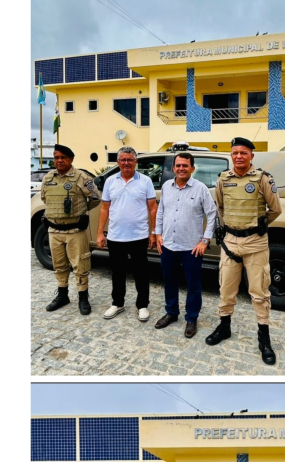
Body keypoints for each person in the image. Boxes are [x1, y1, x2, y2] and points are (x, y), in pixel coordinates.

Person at [205, 137, 281, 364]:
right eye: (235, 152)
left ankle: (264, 337)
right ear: (231, 155)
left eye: (243, 153)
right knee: (226, 288)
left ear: (251, 156)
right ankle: (224, 326)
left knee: (259, 292)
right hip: (230, 242)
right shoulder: (223, 179)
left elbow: (275, 209)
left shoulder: (262, 179)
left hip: (255, 243)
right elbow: (220, 206)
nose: (239, 156)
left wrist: (259, 223)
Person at [154, 151, 217, 338]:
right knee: (169, 282)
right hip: (168, 245)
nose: (181, 168)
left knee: (193, 285)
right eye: (178, 165)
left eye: (185, 165)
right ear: (173, 168)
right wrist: (158, 234)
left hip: (191, 247)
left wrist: (205, 240)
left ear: (192, 168)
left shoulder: (200, 189)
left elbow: (212, 214)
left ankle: (191, 318)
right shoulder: (166, 186)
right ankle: (172, 313)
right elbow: (161, 211)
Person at [97, 146, 157, 322]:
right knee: (117, 272)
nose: (126, 163)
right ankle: (117, 303)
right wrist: (100, 233)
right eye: (123, 160)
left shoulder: (145, 181)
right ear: (118, 163)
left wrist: (153, 233)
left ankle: (143, 305)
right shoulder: (110, 182)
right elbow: (104, 208)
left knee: (141, 272)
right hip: (116, 236)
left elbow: (153, 208)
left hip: (138, 236)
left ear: (136, 162)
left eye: (130, 159)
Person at [41, 144, 101, 316]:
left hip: (75, 231)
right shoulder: (48, 178)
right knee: (59, 265)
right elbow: (45, 198)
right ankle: (62, 295)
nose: (59, 161)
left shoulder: (82, 177)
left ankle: (83, 297)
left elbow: (95, 199)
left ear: (71, 159)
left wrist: (80, 210)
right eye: (56, 157)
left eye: (63, 158)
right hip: (54, 231)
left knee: (80, 265)